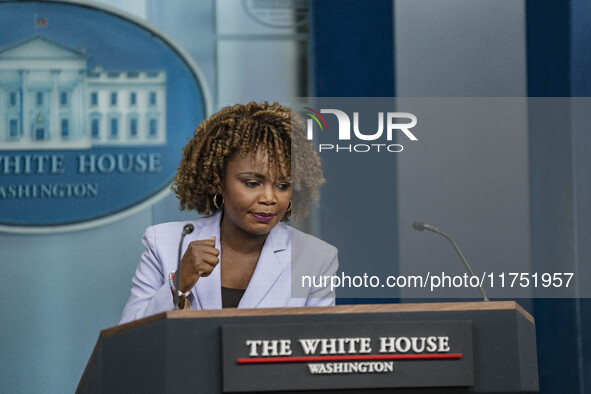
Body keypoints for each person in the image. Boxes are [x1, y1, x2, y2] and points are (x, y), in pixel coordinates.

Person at [119, 102, 338, 324]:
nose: (270, 198)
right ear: (218, 182)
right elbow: (127, 340)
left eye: (283, 186)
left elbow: (317, 349)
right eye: (252, 183)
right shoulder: (165, 244)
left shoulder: (316, 258)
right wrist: (179, 283)